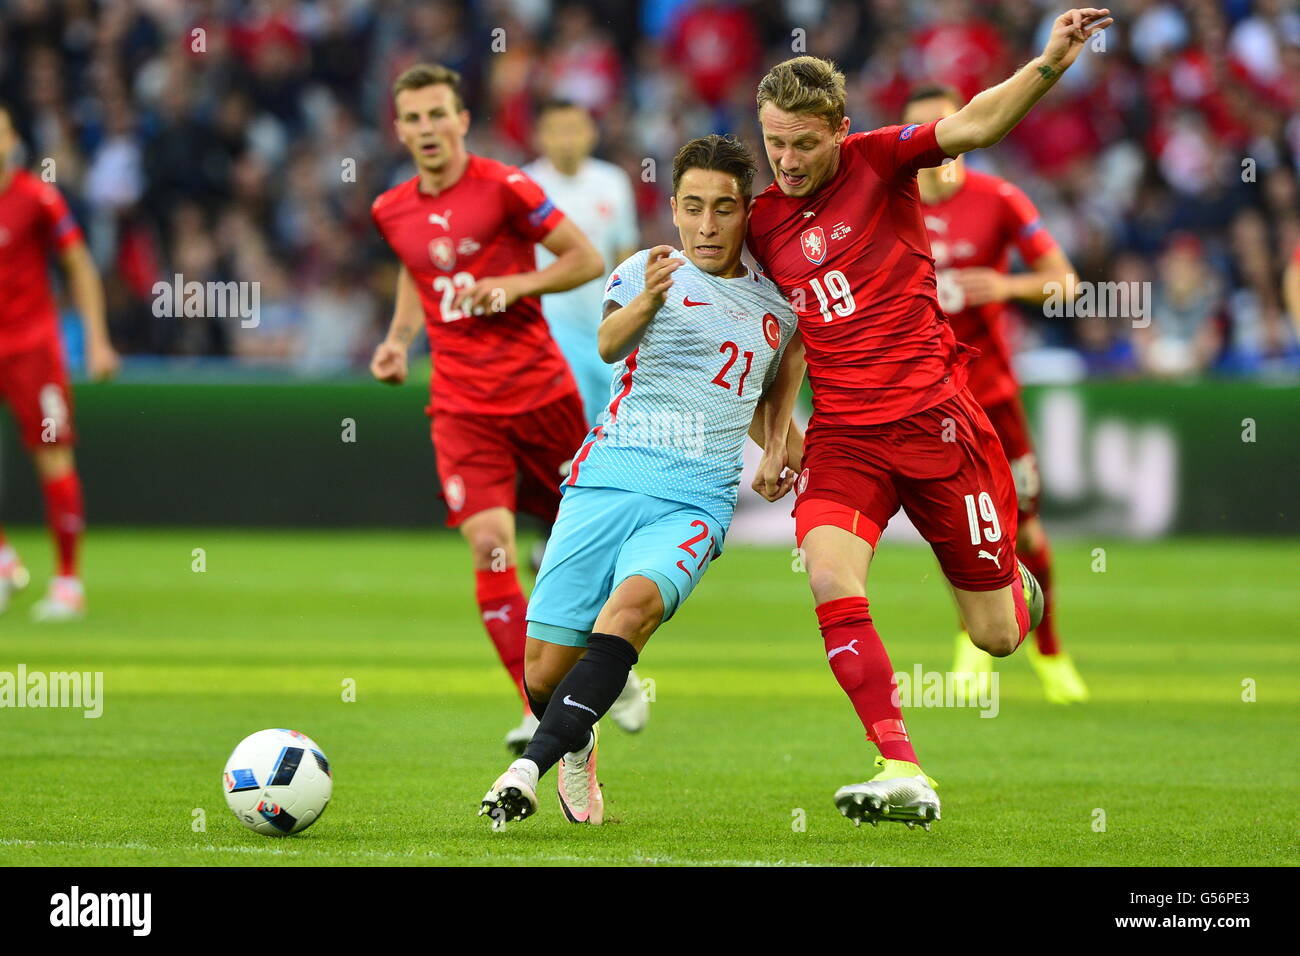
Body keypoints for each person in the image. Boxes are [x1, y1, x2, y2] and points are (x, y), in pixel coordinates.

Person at [746, 8, 1112, 829]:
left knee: (995, 637)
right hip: (846, 438)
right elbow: (786, 338)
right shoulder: (763, 221)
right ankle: (900, 764)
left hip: (940, 426)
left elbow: (978, 120)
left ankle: (1013, 589)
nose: (790, 159)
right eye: (775, 142)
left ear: (840, 129)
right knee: (830, 577)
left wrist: (1050, 62)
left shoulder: (882, 161)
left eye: (805, 142)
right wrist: (778, 435)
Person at [478, 134, 803, 826]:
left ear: (747, 212)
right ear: (675, 210)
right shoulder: (646, 271)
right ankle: (577, 738)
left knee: (630, 613)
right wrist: (651, 300)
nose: (708, 225)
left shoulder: (779, 310)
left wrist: (783, 450)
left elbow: (763, 409)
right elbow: (608, 345)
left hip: (694, 501)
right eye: (694, 207)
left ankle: (524, 768)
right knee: (542, 671)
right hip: (607, 480)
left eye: (723, 208)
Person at [369, 64, 644, 754]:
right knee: (491, 546)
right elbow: (416, 266)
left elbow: (583, 259)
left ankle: (610, 664)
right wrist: (399, 341)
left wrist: (517, 284)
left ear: (462, 121)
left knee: (583, 549)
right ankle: (537, 706)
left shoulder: (507, 187)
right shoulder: (390, 209)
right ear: (398, 129)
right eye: (414, 118)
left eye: (439, 114)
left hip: (540, 394)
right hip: (461, 407)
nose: (427, 129)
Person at [903, 84, 1088, 704]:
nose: (936, 141)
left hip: (993, 396)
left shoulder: (999, 198)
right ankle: (970, 642)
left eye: (944, 125)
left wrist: (1006, 288)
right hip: (925, 401)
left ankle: (1052, 648)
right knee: (954, 527)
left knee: (1028, 533)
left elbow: (1067, 285)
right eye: (920, 129)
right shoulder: (887, 202)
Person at [0, 103, 119, 620]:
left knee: (53, 456)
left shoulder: (37, 198)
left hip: (32, 350)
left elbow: (79, 264)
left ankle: (68, 581)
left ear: (11, 140)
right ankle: (4, 561)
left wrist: (96, 339)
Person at [524, 100, 639, 424]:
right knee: (568, 430)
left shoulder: (613, 182)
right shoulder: (524, 186)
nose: (567, 139)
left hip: (604, 328)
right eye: (557, 131)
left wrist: (625, 319)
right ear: (539, 136)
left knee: (611, 430)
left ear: (591, 133)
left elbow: (625, 256)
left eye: (574, 129)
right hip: (552, 334)